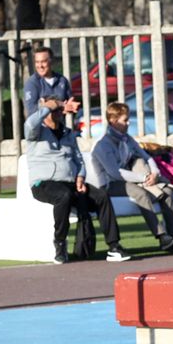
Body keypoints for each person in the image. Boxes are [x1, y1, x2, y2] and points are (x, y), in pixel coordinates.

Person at [26, 94, 128, 263]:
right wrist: (53, 104)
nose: (58, 112)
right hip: (44, 183)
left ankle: (114, 246)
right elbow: (30, 123)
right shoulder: (36, 132)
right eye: (54, 109)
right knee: (63, 196)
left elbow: (78, 159)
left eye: (60, 109)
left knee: (101, 196)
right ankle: (59, 243)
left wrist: (80, 176)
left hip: (70, 183)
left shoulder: (67, 133)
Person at [87, 101, 173, 252]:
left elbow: (147, 156)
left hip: (130, 180)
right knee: (141, 193)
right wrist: (144, 179)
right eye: (125, 120)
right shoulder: (102, 144)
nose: (129, 123)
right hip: (110, 184)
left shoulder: (126, 138)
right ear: (113, 121)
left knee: (168, 192)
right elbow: (115, 173)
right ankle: (162, 236)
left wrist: (155, 173)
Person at [23, 46, 75, 119]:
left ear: (51, 61)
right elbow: (32, 111)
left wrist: (71, 107)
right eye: (37, 62)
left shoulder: (62, 80)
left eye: (43, 61)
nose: (40, 66)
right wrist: (58, 106)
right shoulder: (32, 83)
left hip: (59, 128)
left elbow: (69, 103)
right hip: (40, 129)